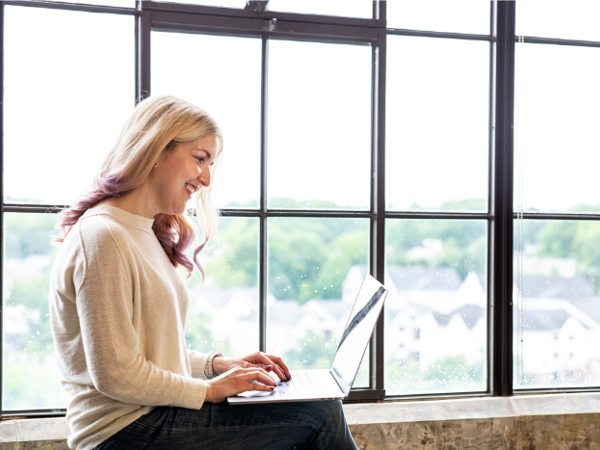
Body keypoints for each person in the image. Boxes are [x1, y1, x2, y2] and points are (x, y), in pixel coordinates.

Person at [49, 95, 358, 450]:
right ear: (155, 149)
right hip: (123, 433)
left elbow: (153, 358)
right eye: (200, 159)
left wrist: (217, 366)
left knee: (315, 410)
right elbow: (116, 374)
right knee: (320, 417)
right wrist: (209, 391)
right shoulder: (102, 237)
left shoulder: (141, 231)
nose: (207, 178)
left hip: (153, 417)